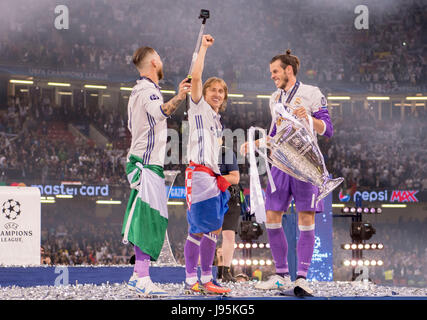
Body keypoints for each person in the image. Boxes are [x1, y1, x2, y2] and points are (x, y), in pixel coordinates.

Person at [241, 49, 334, 297]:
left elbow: (328, 130)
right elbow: (275, 134)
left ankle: (301, 279)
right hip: (280, 164)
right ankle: (281, 275)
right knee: (272, 216)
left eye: (275, 71)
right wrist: (258, 142)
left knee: (306, 219)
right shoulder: (274, 98)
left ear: (288, 70)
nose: (272, 76)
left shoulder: (312, 93)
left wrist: (310, 119)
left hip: (305, 165)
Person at [121, 46, 191, 297]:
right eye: (159, 58)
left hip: (146, 162)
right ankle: (142, 277)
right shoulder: (148, 91)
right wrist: (181, 96)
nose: (162, 61)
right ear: (152, 62)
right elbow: (161, 112)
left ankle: (136, 275)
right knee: (148, 221)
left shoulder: (141, 90)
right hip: (146, 164)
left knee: (150, 220)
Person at [183, 34, 233, 295]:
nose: (217, 93)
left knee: (213, 229)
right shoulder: (198, 108)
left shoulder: (216, 120)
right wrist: (202, 48)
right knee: (198, 229)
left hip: (212, 177)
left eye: (221, 91)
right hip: (199, 175)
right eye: (213, 89)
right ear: (204, 93)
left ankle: (206, 278)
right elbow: (197, 75)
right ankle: (192, 279)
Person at [216, 144, 240, 282]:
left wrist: (212, 178)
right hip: (210, 197)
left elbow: (235, 178)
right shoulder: (201, 153)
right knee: (208, 234)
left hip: (229, 197)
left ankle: (226, 271)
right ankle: (205, 270)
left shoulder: (226, 153)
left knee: (229, 235)